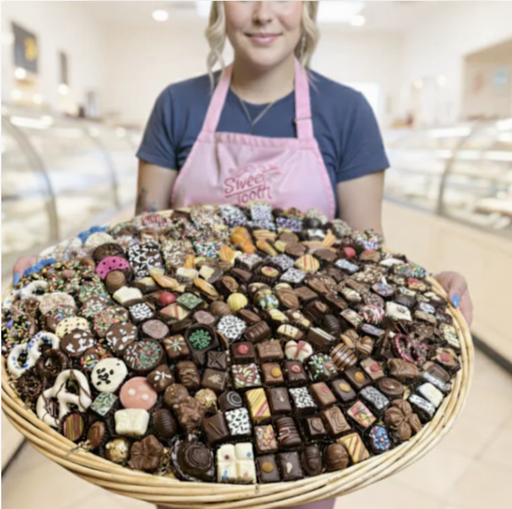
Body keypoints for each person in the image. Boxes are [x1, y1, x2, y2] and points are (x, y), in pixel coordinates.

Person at [12, 3, 472, 509]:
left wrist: (428, 293)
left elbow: (367, 257)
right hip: (189, 353)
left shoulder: (347, 112)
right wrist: (58, 269)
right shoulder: (178, 104)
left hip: (303, 384)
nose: (261, 13)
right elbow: (137, 241)